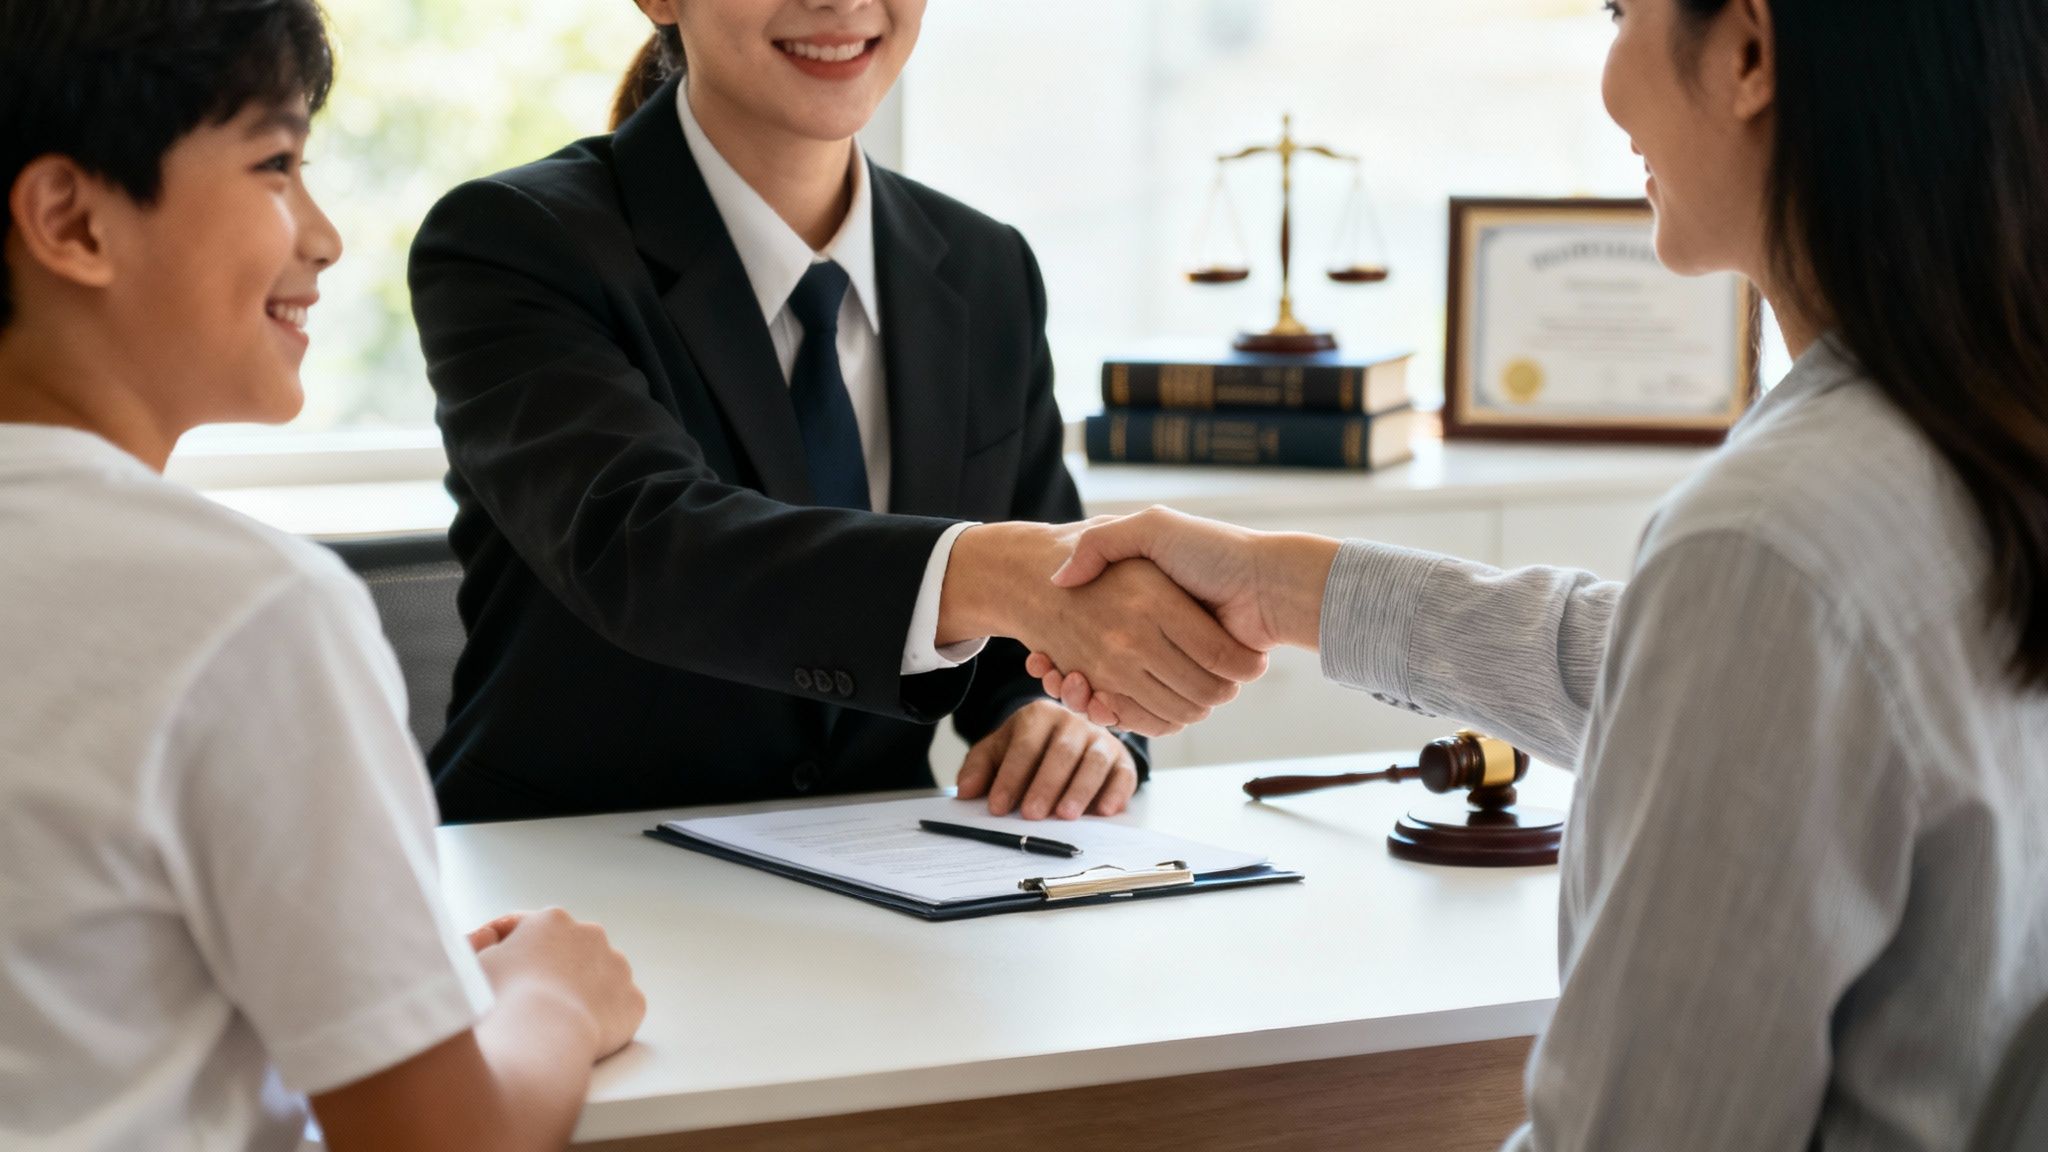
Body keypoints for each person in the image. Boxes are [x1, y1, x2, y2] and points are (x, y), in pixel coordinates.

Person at [1028, 0, 2048, 1147]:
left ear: (1749, 52)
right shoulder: (1972, 441)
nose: (1606, 81)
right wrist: (1285, 587)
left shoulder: (1773, 538)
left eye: (1619, 12)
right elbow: (1674, 670)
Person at [0, 4, 644, 1147]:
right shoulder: (243, 610)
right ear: (70, 220)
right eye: (276, 166)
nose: (327, 235)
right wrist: (549, 993)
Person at [407, 0, 1266, 825]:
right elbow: (647, 545)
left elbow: (1037, 626)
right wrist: (993, 573)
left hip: (878, 883)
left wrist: (1058, 720)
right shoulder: (514, 242)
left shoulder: (983, 268)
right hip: (561, 878)